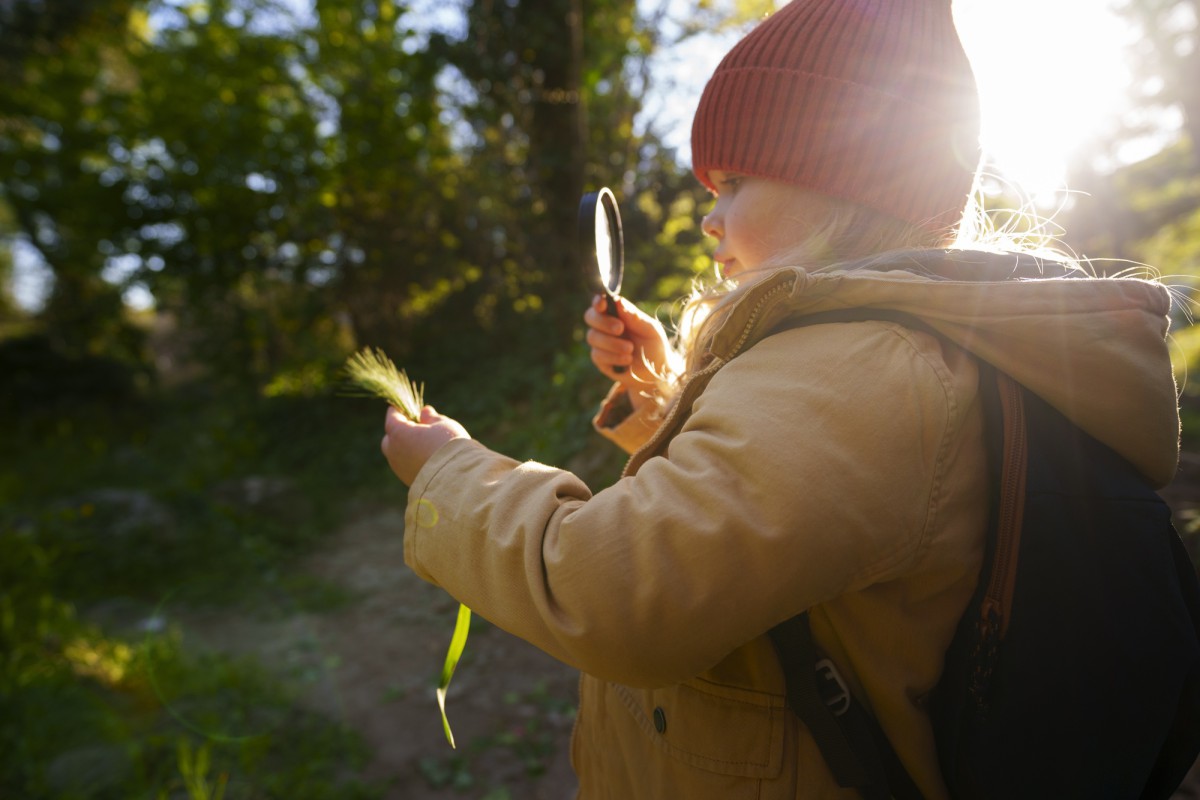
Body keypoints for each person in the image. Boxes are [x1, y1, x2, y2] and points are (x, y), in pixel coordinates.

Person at [380, 0, 1181, 797]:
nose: (708, 217)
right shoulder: (901, 351)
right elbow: (777, 509)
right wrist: (663, 397)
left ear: (836, 174)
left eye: (732, 181)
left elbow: (622, 594)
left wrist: (450, 474)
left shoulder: (865, 368)